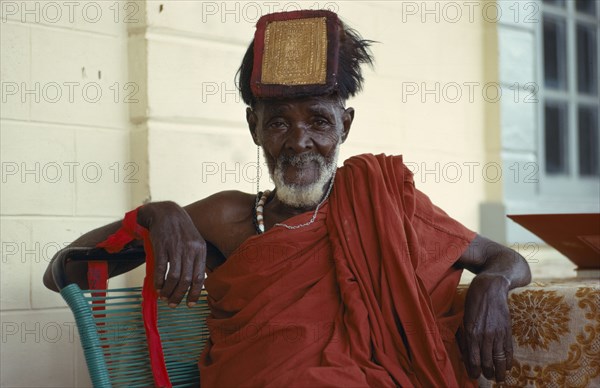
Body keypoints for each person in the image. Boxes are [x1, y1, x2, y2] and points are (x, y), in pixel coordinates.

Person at [44, 9, 531, 387]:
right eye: (278, 122)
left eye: (318, 120)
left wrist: (491, 286)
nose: (299, 141)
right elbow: (61, 272)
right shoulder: (226, 218)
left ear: (345, 125)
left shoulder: (382, 198)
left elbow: (505, 259)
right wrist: (155, 214)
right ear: (254, 128)